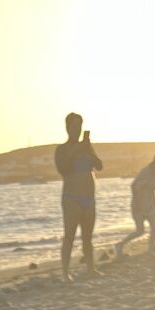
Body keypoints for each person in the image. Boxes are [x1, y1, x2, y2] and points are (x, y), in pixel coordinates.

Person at [54, 112, 102, 279]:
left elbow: (99, 166)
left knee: (88, 238)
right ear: (67, 128)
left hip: (89, 198)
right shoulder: (62, 149)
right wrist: (75, 151)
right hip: (71, 198)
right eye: (74, 127)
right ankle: (65, 273)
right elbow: (63, 169)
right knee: (70, 236)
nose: (77, 130)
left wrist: (89, 150)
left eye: (79, 126)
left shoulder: (86, 148)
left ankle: (90, 269)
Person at [116, 151, 155, 257]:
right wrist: (137, 200)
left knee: (154, 226)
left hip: (149, 204)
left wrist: (147, 185)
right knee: (140, 230)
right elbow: (133, 186)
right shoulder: (145, 171)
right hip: (138, 204)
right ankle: (120, 245)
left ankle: (150, 248)